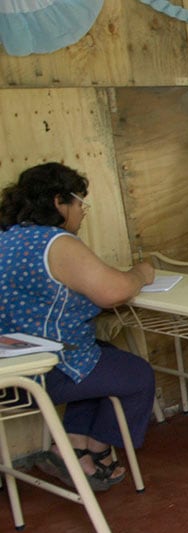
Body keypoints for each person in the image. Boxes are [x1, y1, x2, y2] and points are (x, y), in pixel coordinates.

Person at [0, 162, 156, 492]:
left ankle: (71, 447)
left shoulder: (7, 238)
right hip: (47, 370)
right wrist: (140, 274)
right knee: (138, 376)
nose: (83, 211)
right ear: (59, 202)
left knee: (105, 359)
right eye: (79, 202)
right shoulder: (55, 243)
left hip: (10, 366)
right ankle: (95, 454)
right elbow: (113, 291)